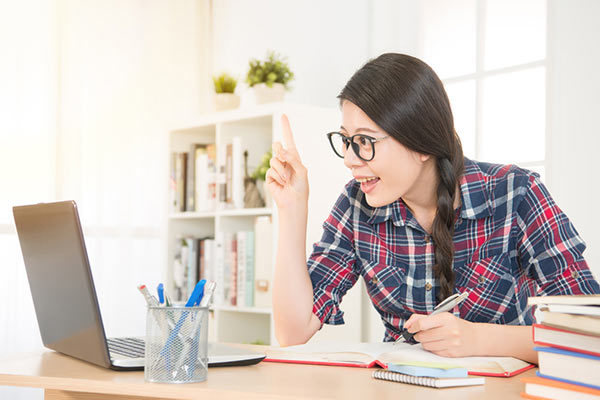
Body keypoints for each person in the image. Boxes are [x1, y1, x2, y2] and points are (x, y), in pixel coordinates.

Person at [266, 53, 600, 364]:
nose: (351, 160)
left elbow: (589, 336)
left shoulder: (515, 193)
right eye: (346, 141)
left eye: (365, 142)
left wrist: (479, 340)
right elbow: (293, 333)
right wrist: (292, 209)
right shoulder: (357, 205)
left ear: (421, 143)